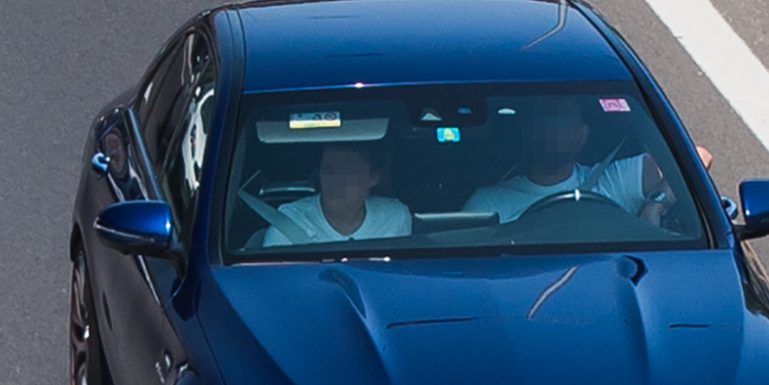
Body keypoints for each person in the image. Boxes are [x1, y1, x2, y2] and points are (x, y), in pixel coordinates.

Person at [463, 95, 691, 225]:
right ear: (526, 133)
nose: (549, 132)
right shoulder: (488, 204)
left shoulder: (612, 181)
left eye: (558, 122)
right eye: (541, 122)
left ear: (581, 136)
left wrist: (656, 205)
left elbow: (695, 160)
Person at [257, 142, 412, 246]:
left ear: (372, 179)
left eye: (348, 172)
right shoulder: (289, 224)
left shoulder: (395, 218)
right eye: (329, 170)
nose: (336, 181)